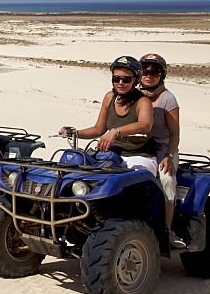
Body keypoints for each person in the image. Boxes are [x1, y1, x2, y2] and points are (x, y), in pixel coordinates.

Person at [62, 56, 183, 247]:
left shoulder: (149, 101)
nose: (120, 82)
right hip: (115, 153)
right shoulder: (110, 97)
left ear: (135, 79)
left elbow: (146, 125)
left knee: (161, 180)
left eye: (126, 79)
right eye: (116, 78)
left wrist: (116, 132)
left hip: (144, 153)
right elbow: (98, 129)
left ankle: (164, 230)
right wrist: (75, 132)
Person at [139, 53, 185, 248]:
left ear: (162, 75)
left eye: (155, 72)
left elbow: (175, 133)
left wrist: (169, 156)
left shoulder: (167, 98)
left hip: (162, 148)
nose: (149, 76)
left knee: (166, 179)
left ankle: (167, 230)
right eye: (145, 71)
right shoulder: (132, 94)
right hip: (137, 146)